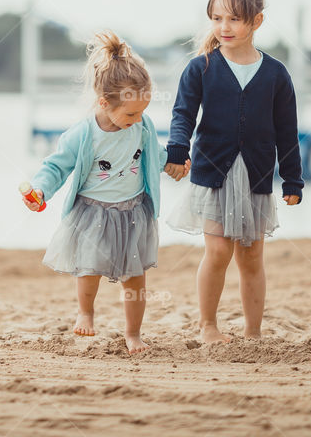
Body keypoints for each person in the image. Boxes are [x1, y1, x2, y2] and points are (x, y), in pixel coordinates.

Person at [23, 30, 189, 355]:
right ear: (103, 102)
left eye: (143, 112)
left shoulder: (141, 127)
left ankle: (133, 333)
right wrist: (41, 189)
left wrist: (173, 163)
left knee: (136, 279)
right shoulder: (83, 134)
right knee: (89, 269)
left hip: (133, 212)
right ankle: (86, 311)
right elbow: (57, 166)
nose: (137, 119)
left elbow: (153, 155)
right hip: (92, 212)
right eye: (130, 114)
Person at [164, 0, 303, 344]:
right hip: (213, 173)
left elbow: (287, 131)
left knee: (251, 257)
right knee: (219, 250)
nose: (224, 27)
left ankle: (253, 332)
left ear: (256, 21)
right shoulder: (201, 68)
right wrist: (177, 150)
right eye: (216, 18)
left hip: (256, 175)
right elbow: (182, 115)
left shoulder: (276, 74)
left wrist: (293, 179)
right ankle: (208, 326)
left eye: (234, 19)